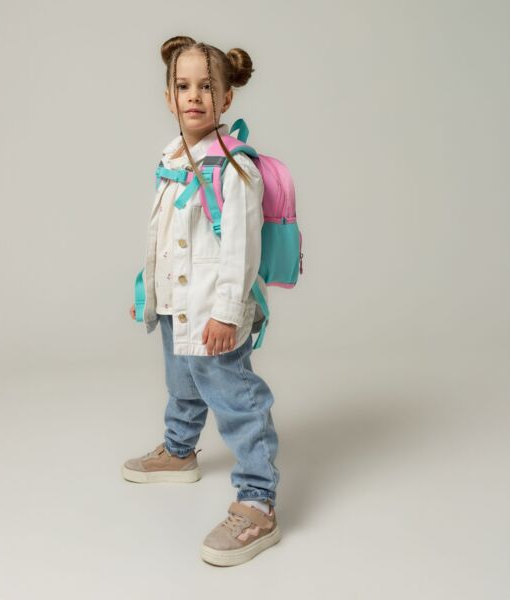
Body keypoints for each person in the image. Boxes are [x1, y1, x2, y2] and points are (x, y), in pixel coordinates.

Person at [123, 35, 281, 567]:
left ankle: (258, 501)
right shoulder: (173, 157)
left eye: (206, 87)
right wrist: (151, 292)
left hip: (214, 312)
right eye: (183, 86)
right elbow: (163, 236)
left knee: (237, 401)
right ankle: (179, 450)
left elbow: (241, 250)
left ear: (227, 98)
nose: (194, 96)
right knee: (182, 382)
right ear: (169, 96)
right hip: (178, 303)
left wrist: (228, 314)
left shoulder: (234, 167)